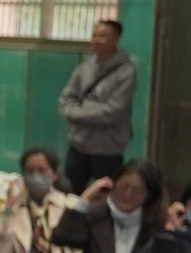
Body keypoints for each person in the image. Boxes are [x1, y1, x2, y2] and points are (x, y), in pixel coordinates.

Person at [59, 17, 137, 188]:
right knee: (70, 193)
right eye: (94, 35)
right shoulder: (84, 68)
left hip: (108, 148)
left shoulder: (126, 72)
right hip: (79, 144)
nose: (96, 40)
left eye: (102, 36)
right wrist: (79, 111)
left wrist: (78, 113)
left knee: (106, 194)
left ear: (116, 39)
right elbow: (66, 100)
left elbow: (112, 112)